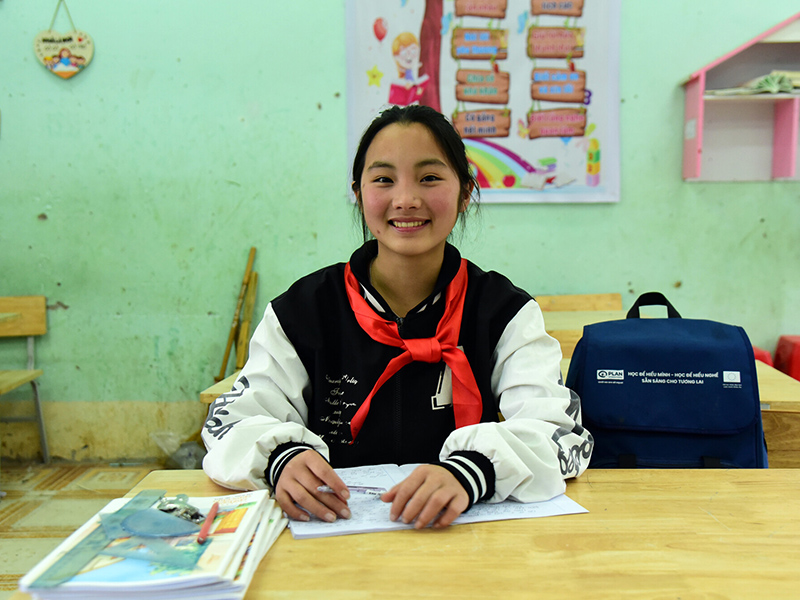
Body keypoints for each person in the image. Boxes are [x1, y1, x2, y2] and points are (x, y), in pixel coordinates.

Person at [202, 104, 593, 530]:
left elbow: (558, 432)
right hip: (329, 540)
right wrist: (281, 458)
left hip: (463, 540)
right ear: (359, 193)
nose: (406, 200)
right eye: (384, 179)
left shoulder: (503, 312)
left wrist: (474, 470)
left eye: (429, 178)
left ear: (465, 192)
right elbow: (234, 420)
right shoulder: (304, 311)